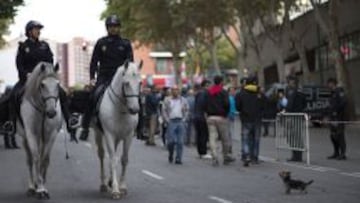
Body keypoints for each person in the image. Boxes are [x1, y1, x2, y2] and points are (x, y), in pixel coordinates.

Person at [8, 20, 72, 137]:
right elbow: (19, 64)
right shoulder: (23, 46)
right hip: (27, 80)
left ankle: (69, 121)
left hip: (44, 79)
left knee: (62, 93)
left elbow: (50, 61)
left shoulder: (44, 45)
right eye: (36, 29)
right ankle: (11, 124)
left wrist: (50, 72)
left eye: (39, 29)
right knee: (13, 95)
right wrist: (26, 74)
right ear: (29, 31)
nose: (38, 31)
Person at [79, 15, 134, 141]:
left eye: (116, 27)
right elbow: (94, 62)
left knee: (135, 96)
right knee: (93, 96)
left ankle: (140, 128)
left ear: (119, 28)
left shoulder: (125, 43)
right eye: (111, 27)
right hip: (104, 77)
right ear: (107, 28)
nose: (113, 29)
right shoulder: (101, 43)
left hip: (120, 78)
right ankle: (85, 127)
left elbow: (130, 63)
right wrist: (92, 78)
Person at [204, 75, 235, 166]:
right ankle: (225, 157)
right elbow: (227, 104)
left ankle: (214, 157)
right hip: (221, 117)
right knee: (225, 139)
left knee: (212, 138)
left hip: (210, 117)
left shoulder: (209, 92)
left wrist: (207, 113)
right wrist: (225, 114)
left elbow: (205, 104)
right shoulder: (223, 92)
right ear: (221, 82)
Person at [235, 76, 264, 166]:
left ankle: (246, 155)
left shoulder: (241, 93)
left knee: (245, 138)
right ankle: (254, 158)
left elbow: (238, 107)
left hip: (246, 119)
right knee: (256, 139)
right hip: (257, 119)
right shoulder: (259, 93)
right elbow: (264, 105)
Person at [162, 85, 189, 164]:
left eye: (177, 90)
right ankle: (171, 154)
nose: (175, 91)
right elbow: (164, 110)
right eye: (173, 90)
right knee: (171, 141)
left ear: (179, 91)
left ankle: (178, 158)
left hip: (180, 121)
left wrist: (184, 119)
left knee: (180, 142)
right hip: (171, 122)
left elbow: (187, 110)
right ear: (171, 91)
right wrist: (167, 120)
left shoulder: (183, 100)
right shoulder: (167, 100)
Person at [285, 76, 307, 162]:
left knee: (294, 136)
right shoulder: (297, 91)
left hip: (293, 116)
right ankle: (296, 155)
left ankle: (297, 156)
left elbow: (289, 105)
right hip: (297, 115)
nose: (289, 83)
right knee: (294, 136)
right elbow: (305, 103)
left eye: (291, 82)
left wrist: (287, 113)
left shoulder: (294, 92)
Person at [325, 78, 347, 160]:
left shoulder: (339, 91)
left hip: (338, 117)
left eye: (329, 83)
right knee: (333, 136)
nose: (328, 85)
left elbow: (343, 102)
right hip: (332, 118)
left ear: (333, 83)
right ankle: (336, 152)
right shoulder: (332, 93)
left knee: (340, 135)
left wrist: (336, 112)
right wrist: (327, 115)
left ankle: (343, 154)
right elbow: (330, 105)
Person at [194, 80, 211, 159]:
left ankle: (200, 151)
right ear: (206, 85)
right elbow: (204, 105)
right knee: (203, 134)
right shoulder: (205, 93)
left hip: (197, 116)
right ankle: (203, 152)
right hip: (202, 117)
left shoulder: (198, 93)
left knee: (199, 135)